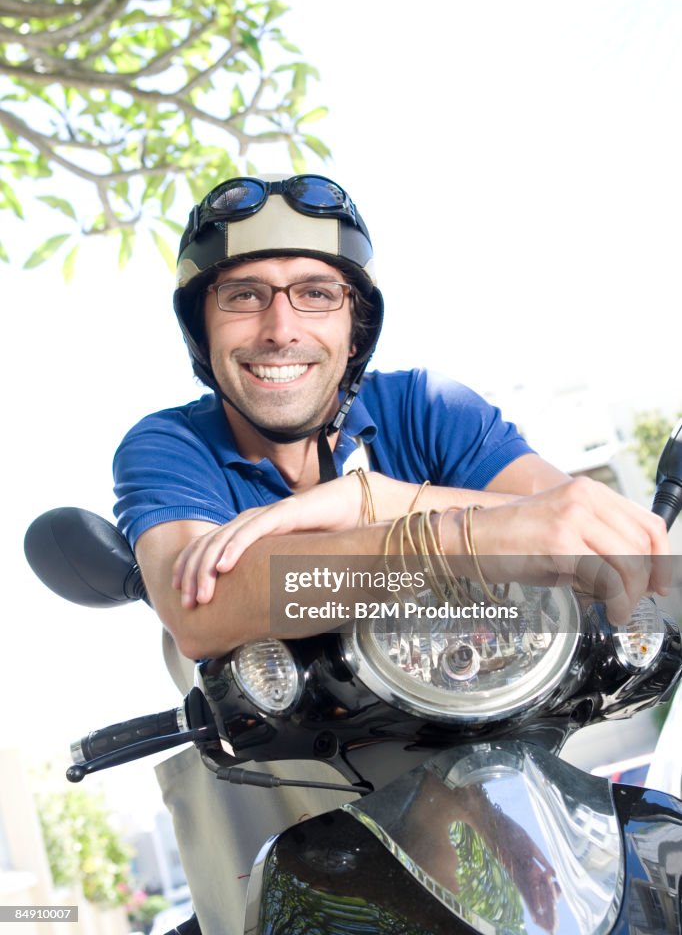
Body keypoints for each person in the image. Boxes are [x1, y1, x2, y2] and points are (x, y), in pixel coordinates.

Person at [113, 173, 669, 935]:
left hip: (509, 774)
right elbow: (205, 608)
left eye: (316, 293)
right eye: (243, 295)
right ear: (201, 328)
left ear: (356, 324)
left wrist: (373, 500)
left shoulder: (430, 408)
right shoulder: (168, 446)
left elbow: (591, 546)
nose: (280, 327)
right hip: (291, 804)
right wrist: (463, 533)